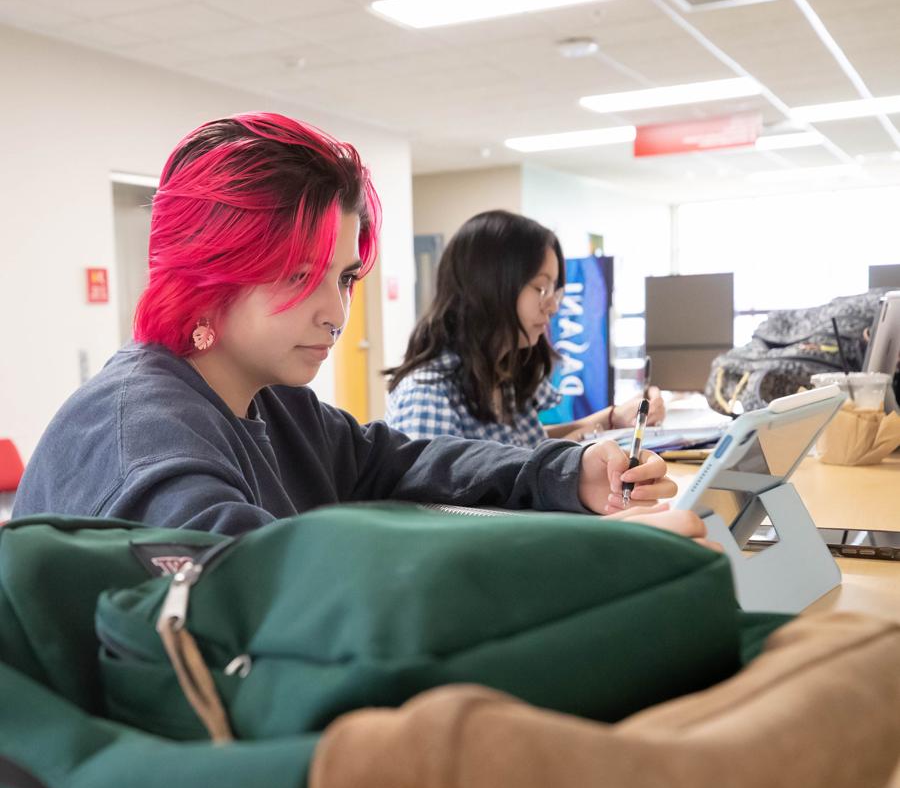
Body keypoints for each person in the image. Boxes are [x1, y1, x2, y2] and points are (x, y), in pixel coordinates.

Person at [14, 113, 706, 546]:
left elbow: (405, 461)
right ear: (209, 270)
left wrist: (570, 473)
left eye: (343, 278)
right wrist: (611, 559)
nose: (336, 313)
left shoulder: (273, 401)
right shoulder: (136, 429)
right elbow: (262, 587)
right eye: (296, 274)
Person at [384, 210, 664, 448]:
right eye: (541, 288)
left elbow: (527, 446)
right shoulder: (428, 395)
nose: (553, 307)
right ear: (490, 288)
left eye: (555, 290)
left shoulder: (502, 371)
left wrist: (613, 418)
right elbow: (430, 508)